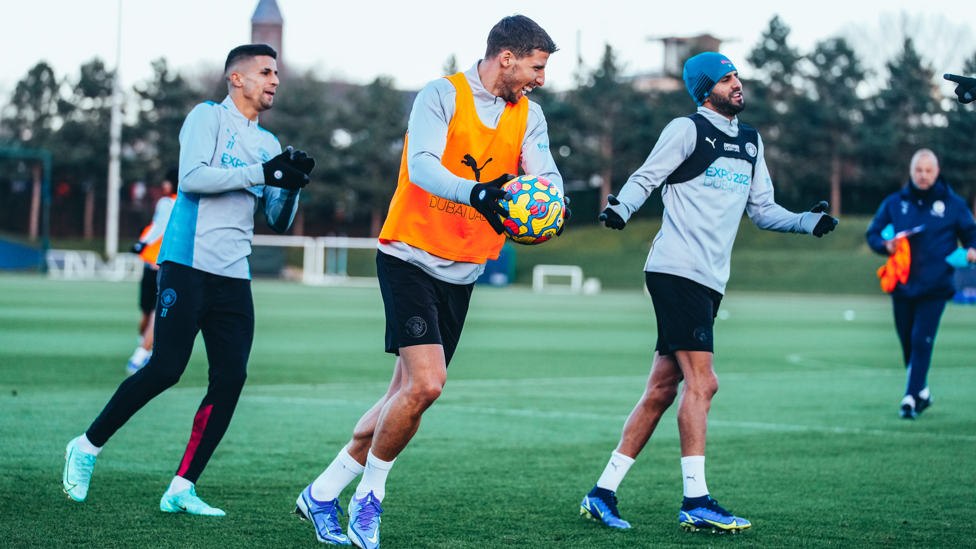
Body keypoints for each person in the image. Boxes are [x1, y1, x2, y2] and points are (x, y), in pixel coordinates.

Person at [293, 15, 565, 547]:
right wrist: (484, 193)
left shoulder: (529, 116)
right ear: (506, 58)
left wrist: (552, 198)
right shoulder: (440, 95)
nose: (540, 79)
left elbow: (546, 170)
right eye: (536, 67)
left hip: (464, 268)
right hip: (410, 256)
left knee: (404, 396)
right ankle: (370, 501)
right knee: (426, 384)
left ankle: (321, 493)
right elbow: (421, 167)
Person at [582, 52, 838, 534]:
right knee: (705, 382)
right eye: (725, 78)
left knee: (662, 388)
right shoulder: (687, 129)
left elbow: (763, 210)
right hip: (677, 270)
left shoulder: (751, 141)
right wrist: (623, 208)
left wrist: (807, 221)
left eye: (737, 75)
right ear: (705, 90)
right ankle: (696, 501)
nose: (736, 83)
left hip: (709, 280)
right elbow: (647, 176)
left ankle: (602, 493)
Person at [62, 44, 315, 516]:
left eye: (276, 73)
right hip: (187, 264)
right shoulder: (206, 118)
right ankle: (87, 446)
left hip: (234, 274)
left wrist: (291, 185)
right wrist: (265, 172)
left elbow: (277, 219)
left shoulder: (267, 142)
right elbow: (193, 178)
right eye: (265, 72)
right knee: (166, 368)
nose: (274, 80)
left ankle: (182, 486)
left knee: (231, 377)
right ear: (236, 79)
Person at [866, 149, 976, 419]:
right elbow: (873, 234)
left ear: (937, 172)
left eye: (928, 170)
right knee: (907, 342)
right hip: (902, 285)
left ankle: (909, 399)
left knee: (920, 340)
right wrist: (885, 244)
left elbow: (972, 234)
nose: (923, 175)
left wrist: (972, 249)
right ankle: (922, 392)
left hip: (936, 286)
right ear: (911, 172)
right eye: (918, 170)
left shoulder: (954, 205)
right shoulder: (894, 203)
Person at [126, 169, 178, 376]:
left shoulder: (167, 203)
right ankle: (142, 353)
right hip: (164, 265)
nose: (164, 185)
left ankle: (140, 355)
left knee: (150, 312)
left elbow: (159, 227)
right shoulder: (188, 204)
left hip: (154, 264)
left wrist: (141, 243)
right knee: (154, 313)